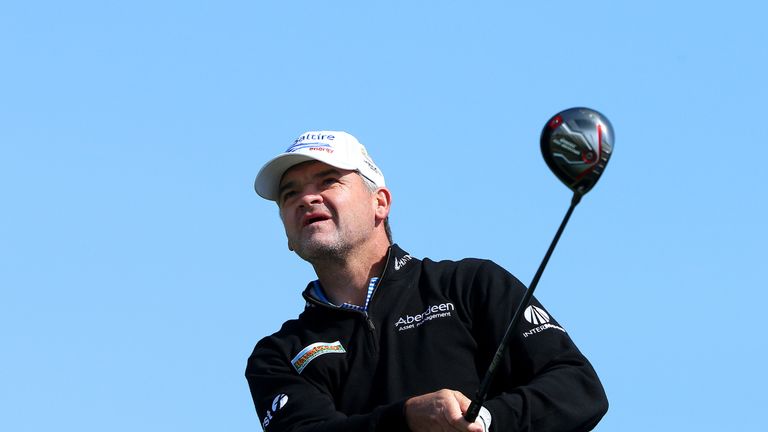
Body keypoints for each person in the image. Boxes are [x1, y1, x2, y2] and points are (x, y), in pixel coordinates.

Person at [245, 130, 608, 432]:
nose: (307, 198)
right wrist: (407, 418)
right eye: (290, 194)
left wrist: (488, 421)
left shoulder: (471, 285)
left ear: (380, 203)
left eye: (328, 181)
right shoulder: (279, 355)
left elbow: (579, 389)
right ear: (289, 236)